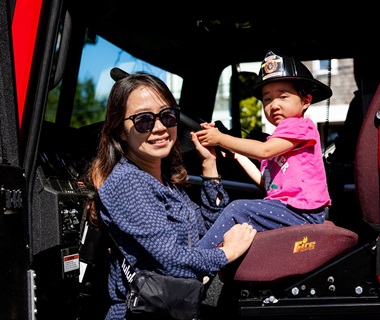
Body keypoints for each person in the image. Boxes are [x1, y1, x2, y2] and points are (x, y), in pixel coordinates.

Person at [83, 71, 257, 320]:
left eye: (168, 116)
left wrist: (209, 166)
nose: (160, 127)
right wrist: (226, 253)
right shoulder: (126, 183)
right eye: (144, 120)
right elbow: (170, 260)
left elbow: (210, 228)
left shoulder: (165, 182)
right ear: (120, 130)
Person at [196, 50, 333, 249]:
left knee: (237, 209)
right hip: (289, 210)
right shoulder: (279, 141)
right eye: (267, 99)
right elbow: (267, 184)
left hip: (303, 212)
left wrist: (221, 138)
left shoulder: (300, 127)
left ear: (306, 101)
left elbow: (263, 151)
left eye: (283, 96)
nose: (274, 105)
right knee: (241, 215)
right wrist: (237, 155)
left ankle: (194, 262)